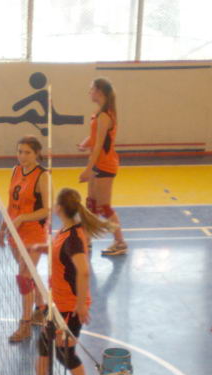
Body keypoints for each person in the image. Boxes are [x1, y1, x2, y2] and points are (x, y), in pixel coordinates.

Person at [22, 188, 111, 375]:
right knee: (43, 345)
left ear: (59, 208)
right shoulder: (65, 231)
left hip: (70, 306)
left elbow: (83, 270)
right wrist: (42, 248)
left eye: (55, 203)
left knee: (65, 354)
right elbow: (60, 253)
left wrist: (81, 305)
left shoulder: (73, 238)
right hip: (57, 302)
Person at [0, 136, 51, 343]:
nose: (22, 156)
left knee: (24, 277)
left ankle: (25, 325)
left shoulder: (43, 176)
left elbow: (47, 210)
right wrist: (3, 228)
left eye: (27, 152)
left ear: (37, 154)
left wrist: (22, 218)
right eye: (20, 151)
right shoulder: (16, 170)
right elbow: (11, 205)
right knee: (29, 273)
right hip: (15, 231)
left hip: (34, 233)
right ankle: (42, 308)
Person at [78, 78, 127, 257]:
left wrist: (88, 169)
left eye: (91, 89)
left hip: (104, 164)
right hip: (97, 162)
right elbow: (96, 137)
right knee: (91, 204)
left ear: (99, 91)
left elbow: (99, 145)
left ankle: (120, 242)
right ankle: (87, 239)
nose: (89, 92)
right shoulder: (99, 113)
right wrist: (85, 143)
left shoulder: (105, 115)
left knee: (104, 207)